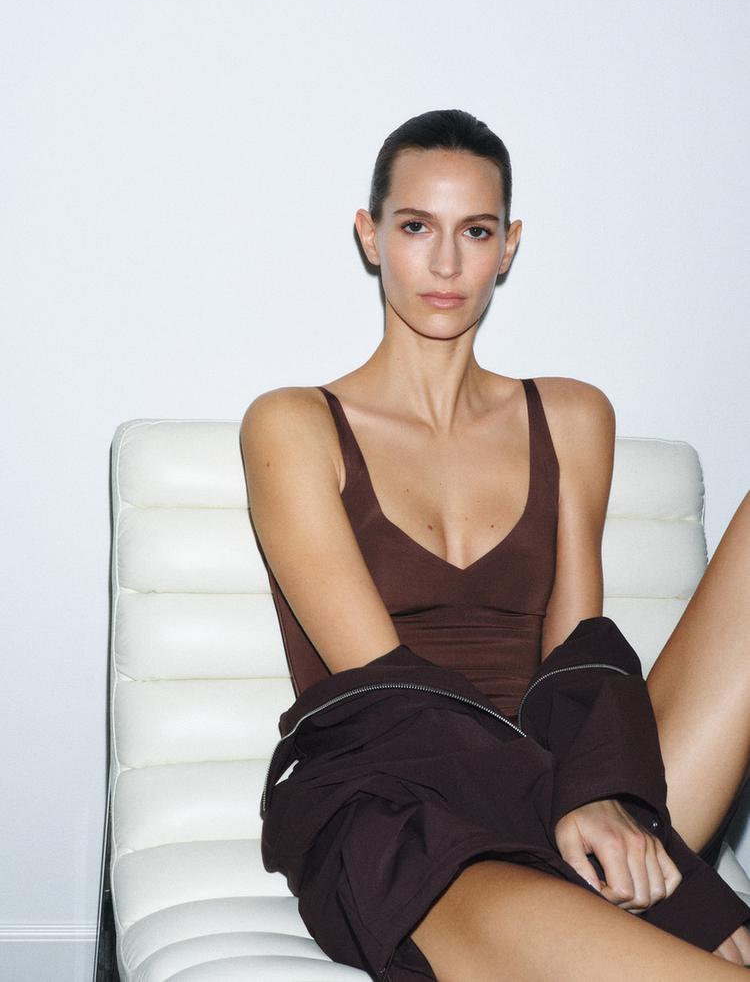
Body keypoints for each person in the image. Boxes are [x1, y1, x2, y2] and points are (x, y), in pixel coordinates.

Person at [240, 109, 750, 980]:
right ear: (370, 235)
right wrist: (685, 892)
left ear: (508, 245)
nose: (446, 264)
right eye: (416, 227)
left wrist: (599, 793)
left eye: (475, 231)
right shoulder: (293, 425)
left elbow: (580, 660)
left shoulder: (573, 415)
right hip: (398, 807)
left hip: (571, 784)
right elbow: (391, 701)